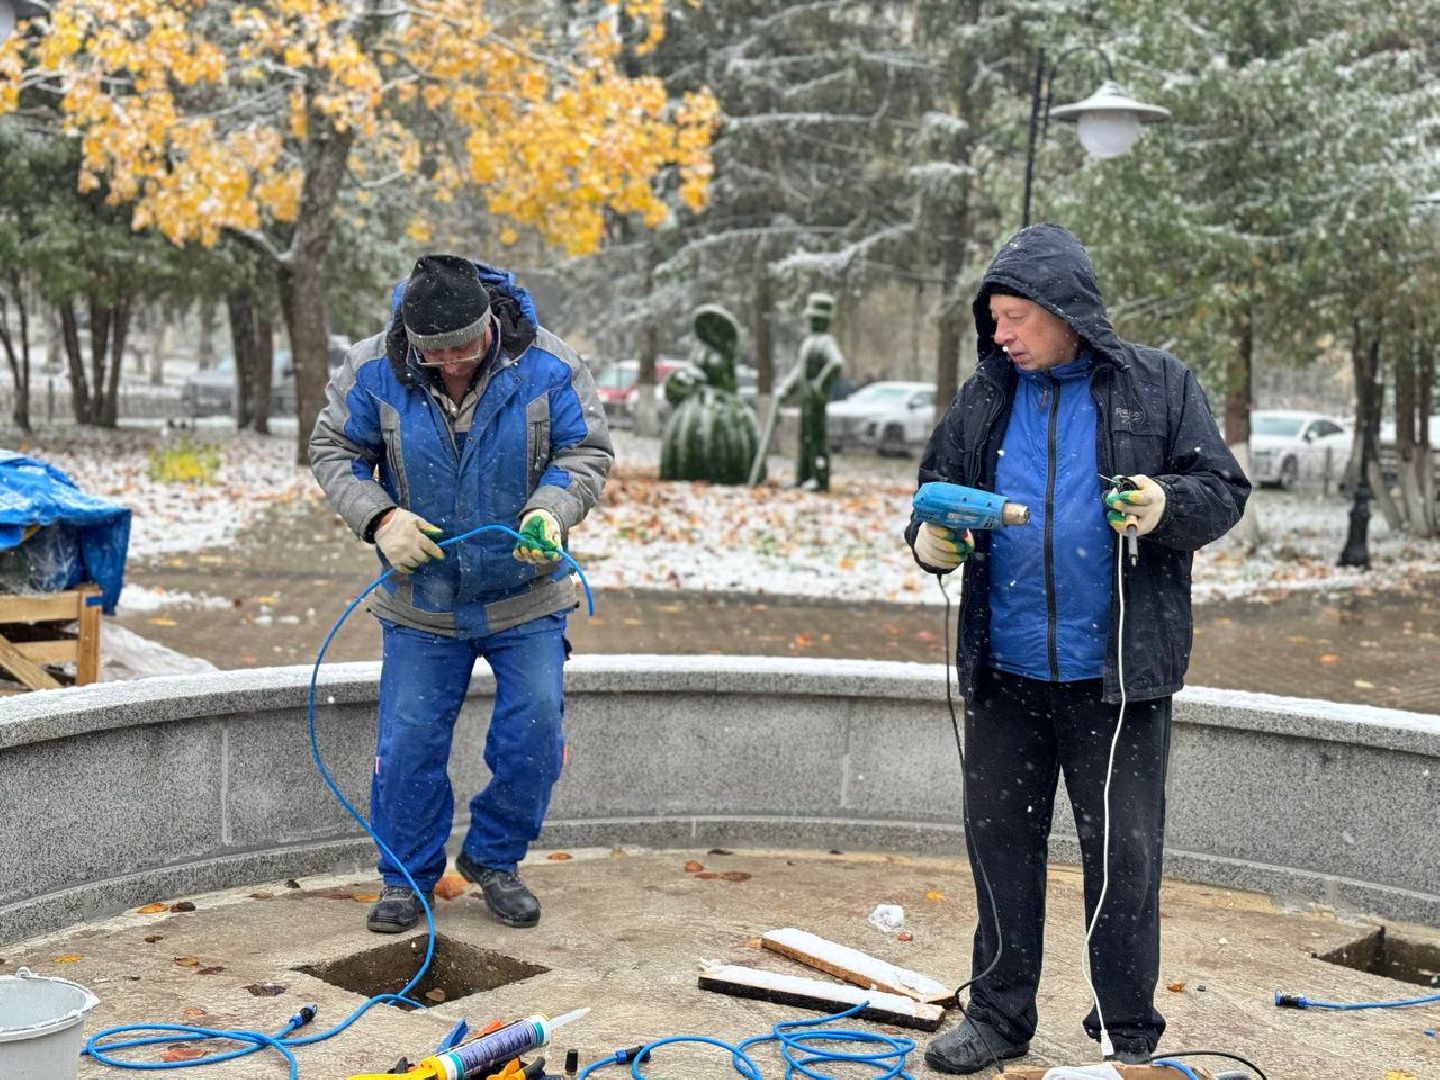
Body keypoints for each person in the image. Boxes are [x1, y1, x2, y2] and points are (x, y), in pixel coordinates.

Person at [904, 223, 1249, 1073]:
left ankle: (1127, 1035)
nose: (1001, 334)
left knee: (1124, 863)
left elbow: (1222, 489)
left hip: (1118, 681)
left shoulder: (1158, 385)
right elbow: (932, 497)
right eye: (994, 318)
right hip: (1006, 674)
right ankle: (997, 1017)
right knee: (999, 852)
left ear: (1066, 312)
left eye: (1016, 315)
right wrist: (929, 541)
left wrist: (1168, 506)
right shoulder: (983, 398)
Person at [310, 254, 612, 934]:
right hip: (422, 602)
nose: (450, 363)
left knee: (535, 730)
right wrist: (380, 517)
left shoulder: (549, 366)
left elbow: (584, 452)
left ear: (490, 326)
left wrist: (552, 512)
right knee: (410, 744)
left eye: (464, 347)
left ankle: (495, 861)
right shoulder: (371, 371)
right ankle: (406, 879)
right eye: (434, 352)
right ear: (409, 338)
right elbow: (334, 451)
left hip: (526, 597)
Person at [776, 292, 844, 491]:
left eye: (816, 319)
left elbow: (836, 363)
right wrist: (785, 390)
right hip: (806, 399)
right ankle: (803, 476)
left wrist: (819, 385)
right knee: (805, 439)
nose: (813, 322)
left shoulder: (825, 342)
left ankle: (820, 478)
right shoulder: (809, 342)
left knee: (817, 439)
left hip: (816, 400)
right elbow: (799, 371)